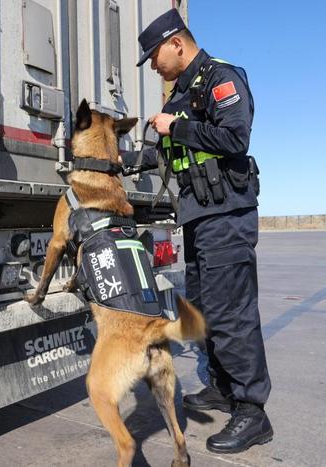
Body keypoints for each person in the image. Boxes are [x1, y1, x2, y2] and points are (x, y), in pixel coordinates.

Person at [123, 8, 273, 454]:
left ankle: (252, 411)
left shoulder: (219, 78)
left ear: (176, 43)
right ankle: (224, 390)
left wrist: (179, 126)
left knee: (233, 314)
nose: (153, 65)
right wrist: (123, 159)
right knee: (205, 311)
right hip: (198, 218)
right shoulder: (180, 95)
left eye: (154, 56)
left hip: (227, 214)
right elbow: (169, 154)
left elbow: (235, 138)